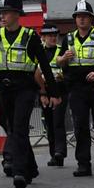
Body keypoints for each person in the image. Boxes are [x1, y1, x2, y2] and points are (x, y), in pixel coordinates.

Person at [0, 0, 50, 188]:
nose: (2, 16)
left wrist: (51, 92)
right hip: (3, 88)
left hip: (25, 88)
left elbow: (44, 65)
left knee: (19, 128)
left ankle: (19, 172)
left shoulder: (29, 36)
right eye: (1, 12)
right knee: (12, 129)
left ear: (17, 14)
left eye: (6, 12)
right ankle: (32, 167)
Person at [54, 0, 94, 177]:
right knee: (80, 125)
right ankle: (83, 164)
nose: (81, 20)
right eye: (78, 16)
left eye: (85, 16)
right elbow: (58, 61)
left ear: (91, 19)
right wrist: (64, 58)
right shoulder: (68, 38)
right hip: (76, 86)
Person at [39, 25, 69, 169]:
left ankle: (60, 151)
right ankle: (54, 154)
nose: (52, 38)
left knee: (58, 121)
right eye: (48, 35)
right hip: (45, 90)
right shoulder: (39, 52)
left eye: (54, 35)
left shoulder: (61, 50)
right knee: (49, 124)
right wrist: (41, 93)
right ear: (43, 37)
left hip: (60, 90)